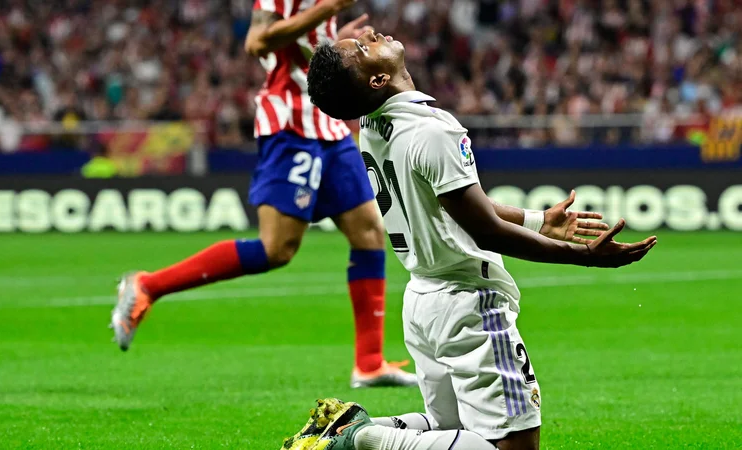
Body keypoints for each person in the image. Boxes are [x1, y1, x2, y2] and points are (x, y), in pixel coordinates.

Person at [284, 31, 657, 450]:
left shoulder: (373, 124)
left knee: (450, 428)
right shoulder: (432, 131)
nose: (372, 36)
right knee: (514, 446)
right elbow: (485, 229)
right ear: (377, 80)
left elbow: (459, 203)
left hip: (423, 299)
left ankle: (344, 430)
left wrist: (536, 221)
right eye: (364, 48)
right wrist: (585, 257)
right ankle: (362, 438)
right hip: (469, 303)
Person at [109, 0, 417, 389]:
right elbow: (257, 43)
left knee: (370, 232)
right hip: (289, 123)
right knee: (276, 249)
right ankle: (148, 286)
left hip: (328, 124)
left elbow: (300, 48)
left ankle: (369, 363)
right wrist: (327, 11)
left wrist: (332, 42)